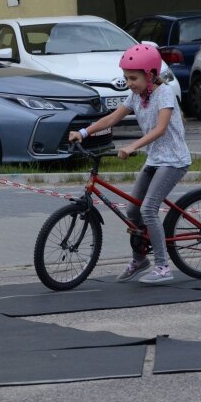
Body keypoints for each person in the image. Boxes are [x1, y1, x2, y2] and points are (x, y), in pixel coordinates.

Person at [68, 44, 191, 283]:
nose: (129, 83)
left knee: (148, 209)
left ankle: (163, 267)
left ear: (151, 75)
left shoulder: (164, 93)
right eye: (126, 77)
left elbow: (161, 128)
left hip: (174, 160)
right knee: (133, 210)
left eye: (133, 78)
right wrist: (83, 132)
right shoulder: (136, 95)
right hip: (155, 159)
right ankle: (140, 259)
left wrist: (133, 146)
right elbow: (113, 118)